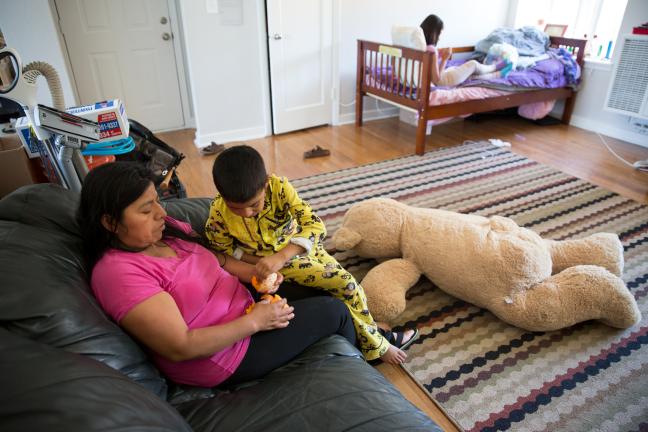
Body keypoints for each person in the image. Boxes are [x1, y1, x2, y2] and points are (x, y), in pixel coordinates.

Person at [78, 161, 356, 387]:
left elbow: (219, 259)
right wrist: (256, 322)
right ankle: (368, 361)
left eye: (158, 202)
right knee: (334, 311)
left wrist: (256, 274)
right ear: (110, 222)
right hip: (225, 353)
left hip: (245, 305)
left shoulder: (163, 234)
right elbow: (181, 346)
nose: (161, 213)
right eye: (146, 209)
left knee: (324, 282)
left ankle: (370, 336)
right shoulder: (118, 274)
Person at [204, 145, 419, 365]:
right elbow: (225, 250)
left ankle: (370, 332)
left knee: (348, 287)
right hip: (277, 267)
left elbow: (315, 225)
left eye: (253, 205)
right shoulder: (218, 213)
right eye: (236, 209)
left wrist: (282, 256)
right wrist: (261, 262)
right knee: (346, 284)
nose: (246, 214)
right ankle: (379, 346)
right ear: (222, 196)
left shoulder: (279, 188)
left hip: (300, 249)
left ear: (266, 182)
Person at [420, 14, 512, 87]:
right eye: (439, 33)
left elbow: (431, 71)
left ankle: (498, 74)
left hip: (437, 79)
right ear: (434, 32)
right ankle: (495, 67)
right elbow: (436, 80)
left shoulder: (421, 47)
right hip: (442, 81)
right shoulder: (432, 50)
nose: (439, 37)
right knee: (473, 64)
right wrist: (445, 59)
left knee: (462, 72)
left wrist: (439, 57)